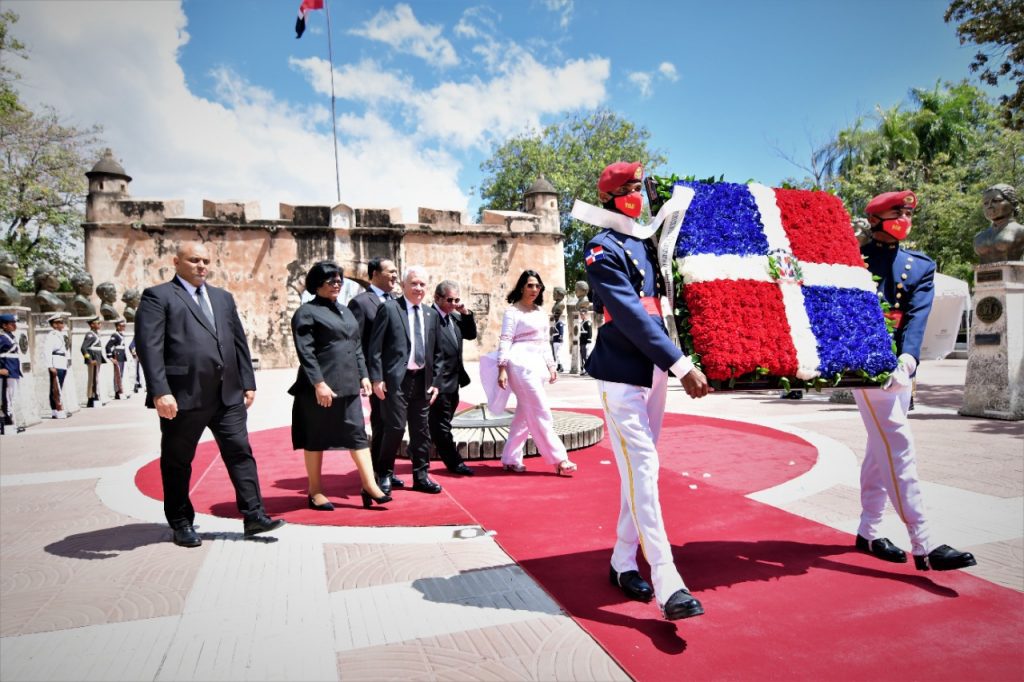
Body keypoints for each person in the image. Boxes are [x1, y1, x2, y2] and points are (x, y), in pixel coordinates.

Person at [575, 160, 712, 621]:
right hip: (623, 373)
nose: (638, 194)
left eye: (640, 187)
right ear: (611, 196)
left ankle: (620, 560)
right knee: (645, 468)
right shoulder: (601, 247)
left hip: (654, 372)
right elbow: (632, 315)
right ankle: (667, 578)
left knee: (640, 474)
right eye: (631, 187)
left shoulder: (648, 243)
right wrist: (681, 363)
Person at [855, 190, 976, 572]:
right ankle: (924, 542)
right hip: (866, 365)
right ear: (875, 219)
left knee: (881, 447)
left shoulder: (920, 265)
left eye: (908, 213)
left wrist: (907, 360)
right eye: (897, 212)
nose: (904, 219)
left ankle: (869, 531)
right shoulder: (851, 259)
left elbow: (917, 316)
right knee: (898, 443)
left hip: (901, 367)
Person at [134, 241, 285, 547]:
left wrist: (248, 381)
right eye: (194, 260)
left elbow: (237, 341)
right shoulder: (158, 297)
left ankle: (254, 515)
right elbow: (149, 347)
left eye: (205, 260)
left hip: (227, 395)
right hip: (183, 396)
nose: (201, 265)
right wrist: (160, 391)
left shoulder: (222, 298)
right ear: (176, 262)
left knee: (240, 452)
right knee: (178, 461)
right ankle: (181, 522)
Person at [289, 261, 391, 511]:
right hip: (319, 389)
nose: (336, 284)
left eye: (339, 280)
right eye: (330, 280)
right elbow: (306, 352)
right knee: (316, 438)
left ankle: (369, 485)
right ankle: (315, 492)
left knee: (357, 434)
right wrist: (318, 383)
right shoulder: (306, 312)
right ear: (316, 284)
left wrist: (364, 375)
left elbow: (356, 346)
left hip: (348, 386)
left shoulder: (345, 311)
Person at [368, 265, 445, 495]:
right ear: (403, 286)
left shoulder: (431, 314)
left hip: (422, 381)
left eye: (422, 284)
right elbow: (375, 348)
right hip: (396, 382)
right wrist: (376, 378)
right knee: (395, 428)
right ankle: (384, 474)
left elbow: (438, 353)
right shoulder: (390, 309)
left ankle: (421, 476)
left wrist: (436, 382)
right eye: (413, 283)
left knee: (421, 431)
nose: (418, 288)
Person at [495, 270, 577, 476]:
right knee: (541, 410)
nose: (534, 289)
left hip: (537, 365)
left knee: (524, 414)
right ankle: (559, 458)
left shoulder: (540, 312)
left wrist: (551, 365)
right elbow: (505, 339)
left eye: (537, 286)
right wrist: (502, 368)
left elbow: (544, 342)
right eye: (530, 285)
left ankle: (510, 458)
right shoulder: (512, 312)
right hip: (519, 364)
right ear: (522, 286)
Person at [348, 257, 400, 485]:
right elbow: (355, 342)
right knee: (381, 422)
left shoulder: (398, 301)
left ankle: (387, 469)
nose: (395, 276)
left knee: (396, 423)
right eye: (390, 271)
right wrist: (363, 376)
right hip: (377, 376)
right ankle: (379, 473)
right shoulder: (360, 303)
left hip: (399, 374)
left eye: (397, 271)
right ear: (374, 274)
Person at [428, 280, 477, 476]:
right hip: (437, 383)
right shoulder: (428, 318)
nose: (454, 303)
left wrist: (465, 312)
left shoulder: (455, 318)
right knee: (440, 427)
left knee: (440, 423)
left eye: (457, 299)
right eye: (450, 300)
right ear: (437, 298)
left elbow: (471, 335)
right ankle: (454, 462)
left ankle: (420, 455)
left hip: (454, 382)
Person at [974, 183, 1024, 263]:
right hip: (985, 274)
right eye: (985, 203)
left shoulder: (1021, 231)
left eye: (996, 201)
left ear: (1013, 203)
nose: (989, 206)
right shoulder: (980, 236)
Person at [0, 313, 25, 433]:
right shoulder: (2, 338)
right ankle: (8, 425)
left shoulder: (11, 337)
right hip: (6, 372)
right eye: (11, 323)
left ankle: (12, 424)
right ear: (4, 325)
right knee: (7, 399)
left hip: (14, 371)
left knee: (12, 398)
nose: (14, 325)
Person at [44, 314, 70, 419]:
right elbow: (47, 351)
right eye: (60, 322)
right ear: (54, 324)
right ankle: (57, 410)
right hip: (56, 362)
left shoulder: (60, 334)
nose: (62, 324)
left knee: (59, 386)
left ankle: (55, 410)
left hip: (62, 362)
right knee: (55, 387)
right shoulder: (52, 335)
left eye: (62, 322)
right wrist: (50, 366)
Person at [81, 316, 106, 408]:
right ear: (92, 324)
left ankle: (95, 396)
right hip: (93, 359)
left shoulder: (95, 334)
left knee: (96, 379)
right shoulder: (90, 334)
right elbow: (83, 348)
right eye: (98, 323)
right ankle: (91, 398)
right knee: (92, 379)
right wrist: (89, 360)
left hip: (97, 358)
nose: (100, 324)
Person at [105, 319, 129, 399]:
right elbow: (108, 346)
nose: (123, 327)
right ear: (118, 326)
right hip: (117, 356)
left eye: (124, 326)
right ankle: (117, 392)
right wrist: (110, 357)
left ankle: (120, 390)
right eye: (122, 326)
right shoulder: (115, 335)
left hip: (121, 356)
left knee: (120, 374)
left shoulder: (121, 335)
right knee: (117, 375)